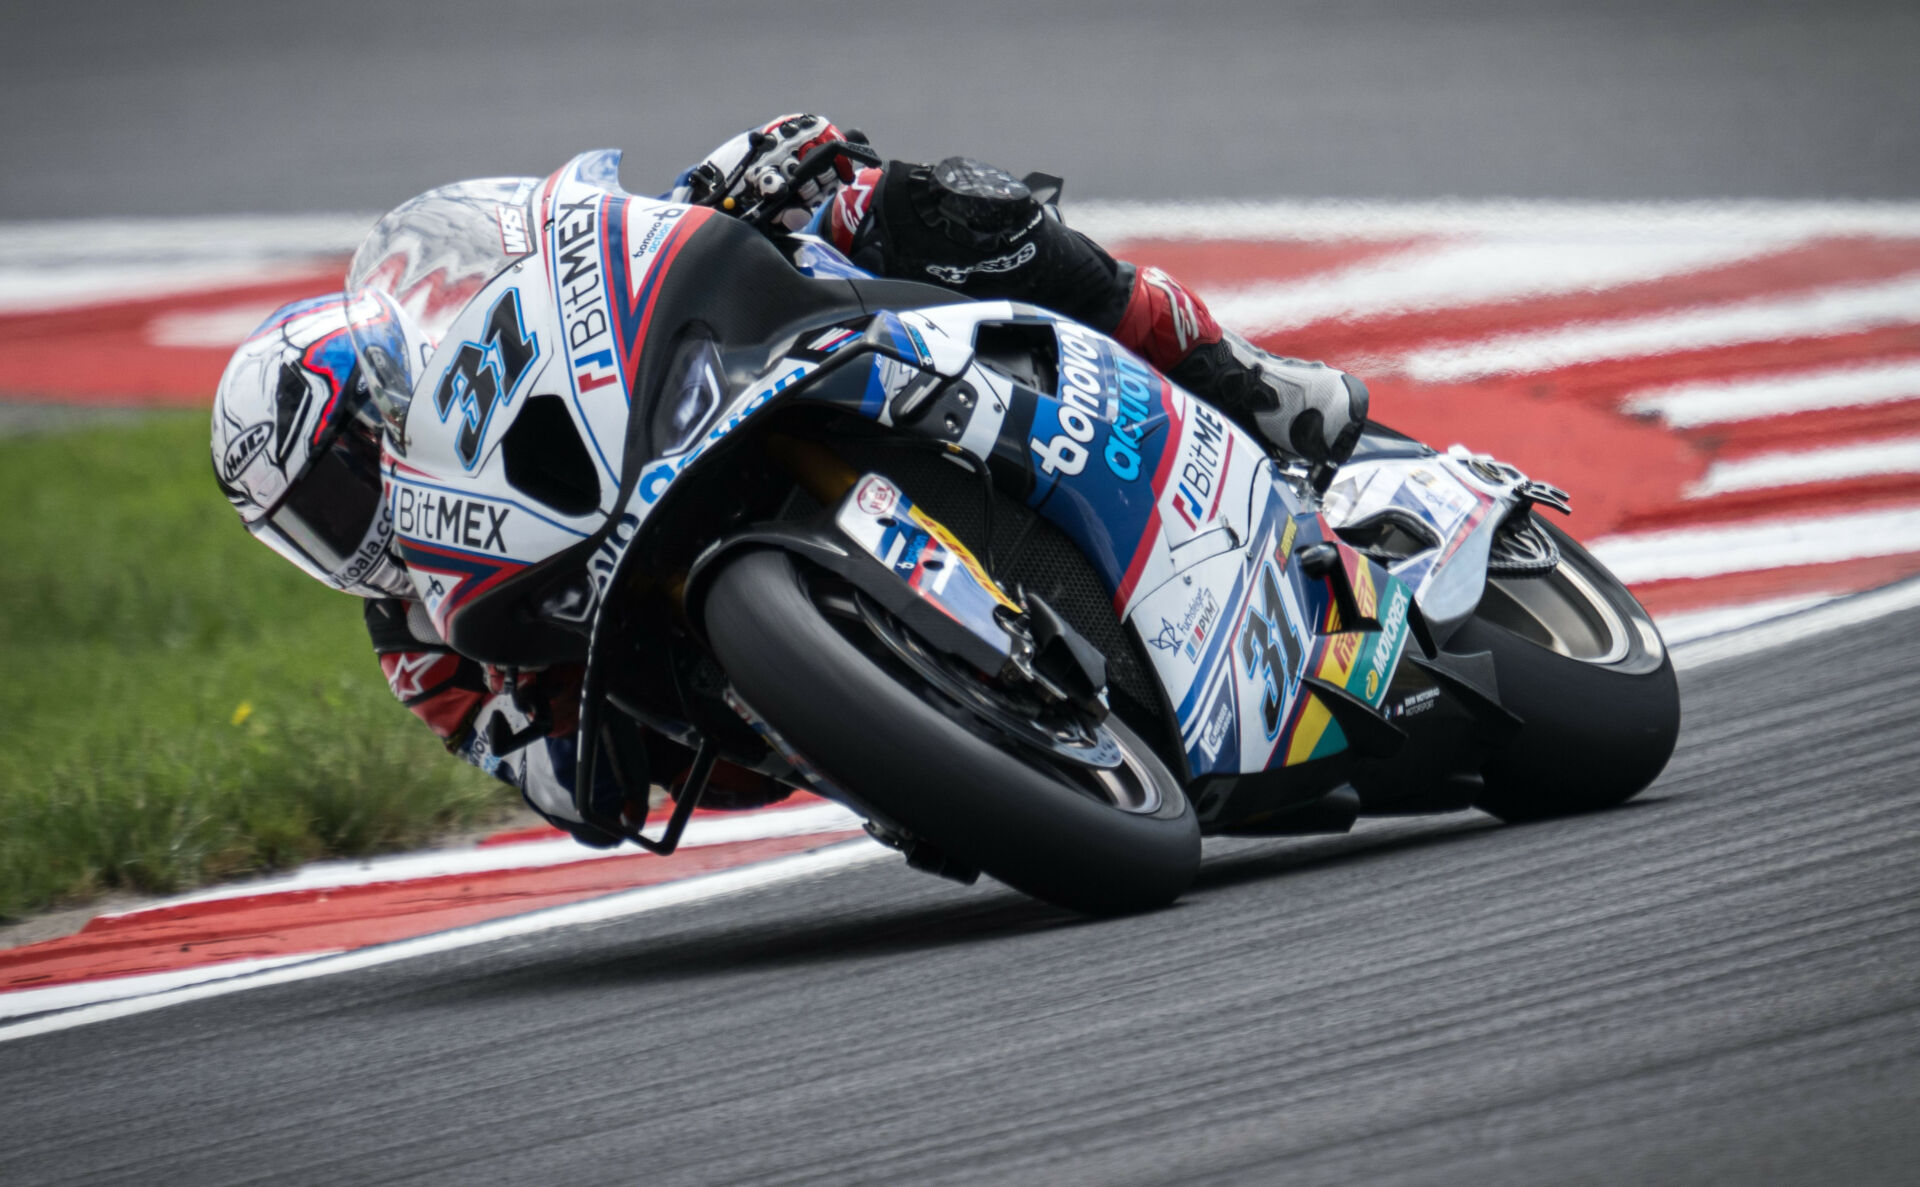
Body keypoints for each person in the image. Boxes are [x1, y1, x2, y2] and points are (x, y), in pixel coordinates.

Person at [210, 114, 1369, 847]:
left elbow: (603, 267)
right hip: (734, 700)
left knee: (884, 202)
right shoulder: (416, 640)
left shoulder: (474, 415)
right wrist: (543, 735)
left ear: (388, 407)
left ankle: (1233, 376)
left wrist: (733, 182)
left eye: (344, 479)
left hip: (706, 406)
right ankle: (963, 739)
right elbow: (568, 796)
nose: (348, 529)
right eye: (310, 527)